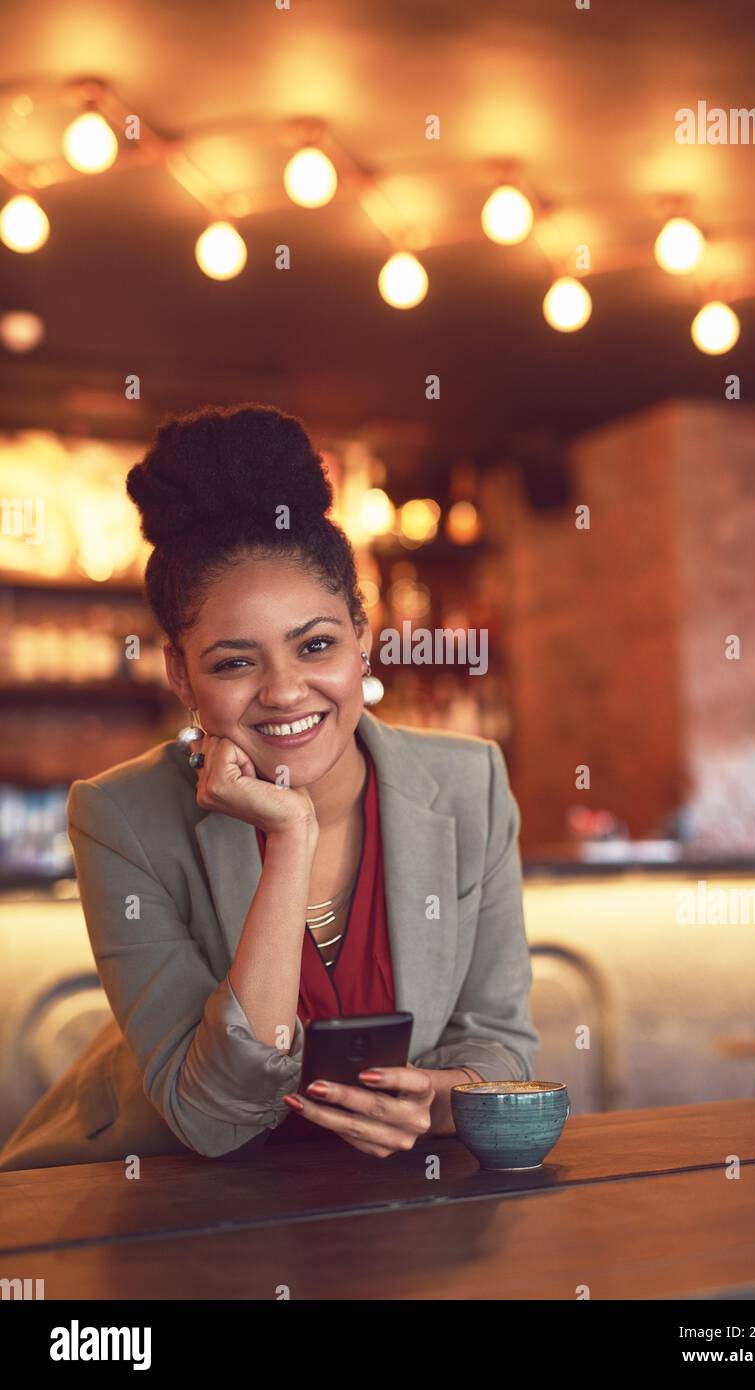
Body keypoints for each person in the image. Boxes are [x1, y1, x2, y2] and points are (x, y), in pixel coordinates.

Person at [0, 404, 539, 1171]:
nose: (285, 692)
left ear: (362, 637)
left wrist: (441, 1097)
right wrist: (291, 839)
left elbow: (501, 1041)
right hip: (153, 1197)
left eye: (315, 644)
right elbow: (208, 1113)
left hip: (382, 1202)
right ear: (180, 675)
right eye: (233, 662)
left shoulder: (468, 782)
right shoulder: (120, 816)